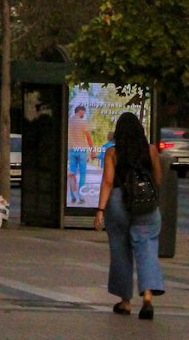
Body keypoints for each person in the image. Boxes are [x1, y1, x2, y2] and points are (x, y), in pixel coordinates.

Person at [94, 111, 164, 319]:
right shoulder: (150, 150)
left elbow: (107, 181)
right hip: (146, 205)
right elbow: (158, 179)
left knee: (120, 249)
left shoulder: (112, 153)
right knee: (148, 247)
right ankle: (148, 297)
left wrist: (100, 210)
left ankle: (125, 302)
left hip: (118, 201)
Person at [67, 103, 94, 204]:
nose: (84, 114)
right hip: (81, 150)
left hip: (71, 150)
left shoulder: (68, 122)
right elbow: (88, 137)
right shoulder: (83, 122)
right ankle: (81, 196)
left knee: (72, 174)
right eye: (84, 112)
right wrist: (92, 150)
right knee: (82, 174)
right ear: (80, 111)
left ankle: (72, 196)